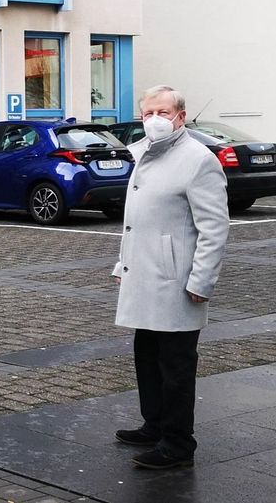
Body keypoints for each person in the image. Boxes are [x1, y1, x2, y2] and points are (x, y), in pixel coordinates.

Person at [111, 85, 229, 469]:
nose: (154, 120)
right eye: (148, 113)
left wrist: (201, 281)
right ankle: (155, 424)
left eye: (162, 112)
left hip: (177, 282)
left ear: (180, 116)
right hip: (144, 276)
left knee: (176, 366)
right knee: (147, 356)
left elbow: (214, 228)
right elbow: (135, 224)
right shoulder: (145, 153)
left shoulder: (198, 160)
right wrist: (122, 265)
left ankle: (178, 443)